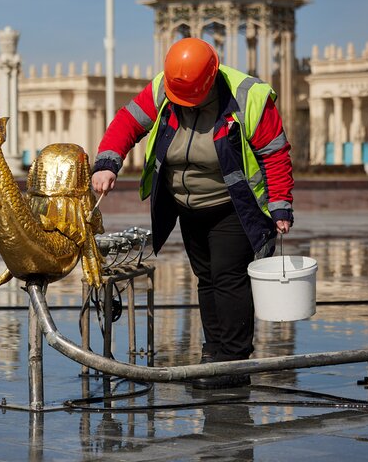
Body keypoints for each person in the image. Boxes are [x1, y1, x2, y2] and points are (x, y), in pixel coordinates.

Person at [91, 37, 294, 390]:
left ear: (211, 78)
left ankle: (233, 361)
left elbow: (275, 152)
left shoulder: (250, 96)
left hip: (234, 206)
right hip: (188, 206)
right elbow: (128, 121)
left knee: (229, 277)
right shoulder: (164, 87)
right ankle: (213, 353)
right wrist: (108, 162)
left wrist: (279, 205)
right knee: (206, 278)